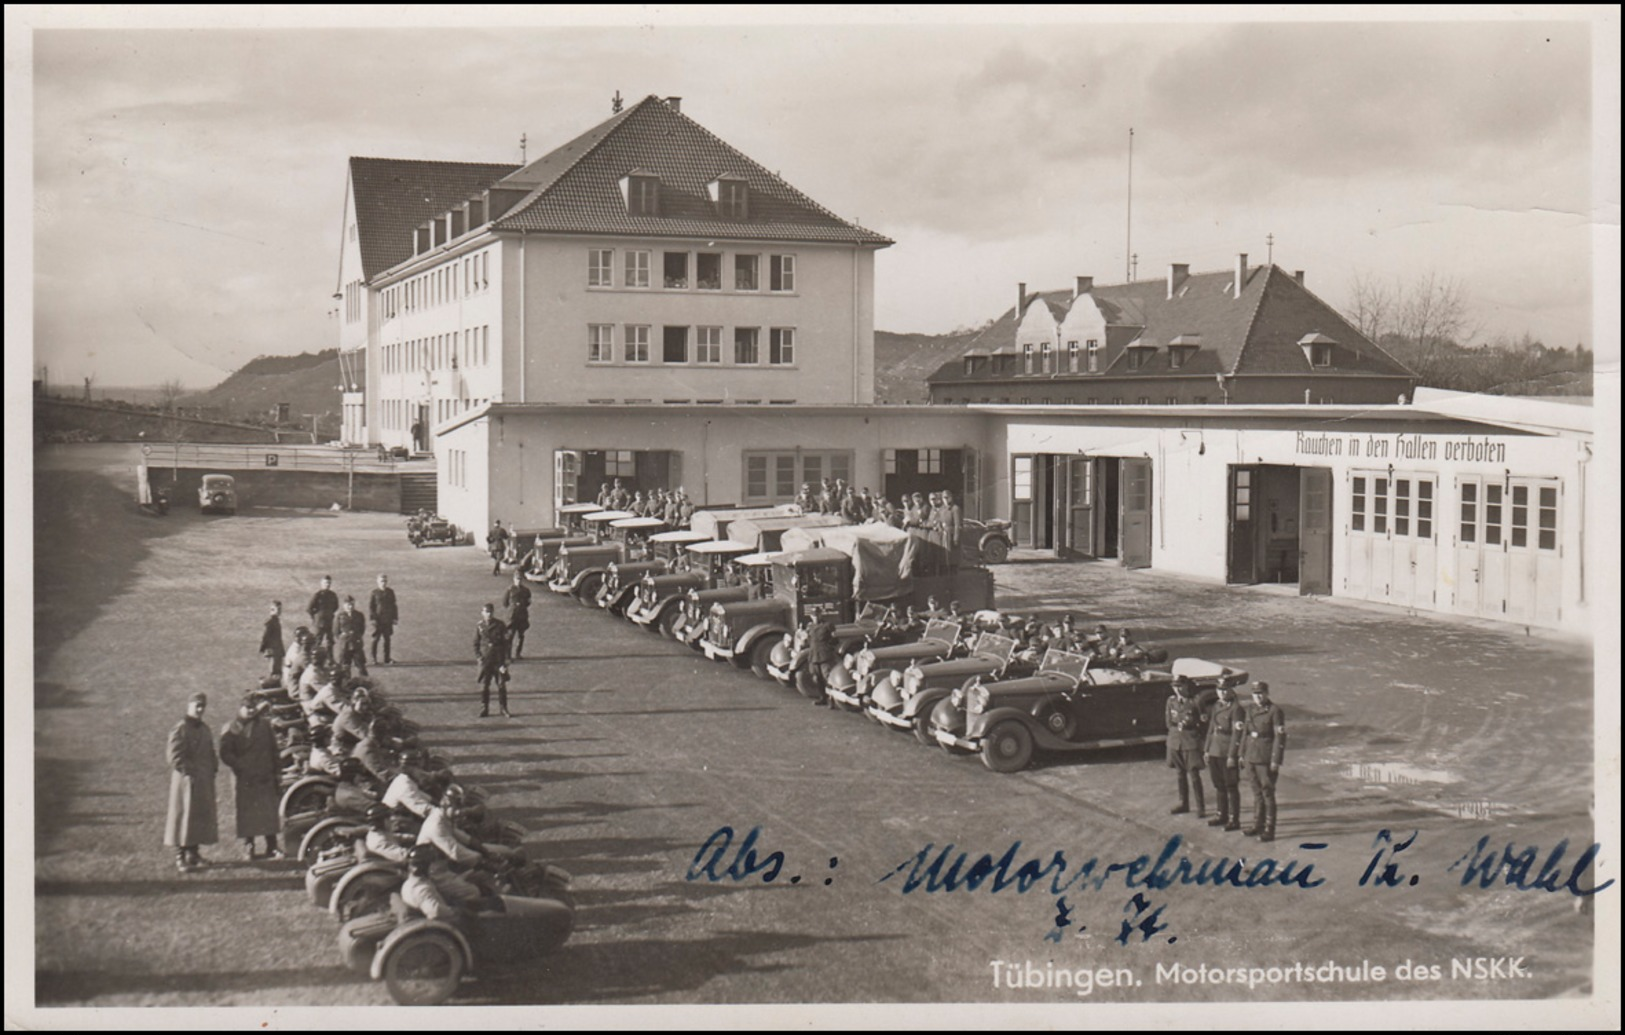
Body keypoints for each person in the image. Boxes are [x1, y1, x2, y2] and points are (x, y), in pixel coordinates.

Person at [218, 694, 283, 859]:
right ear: (241, 708)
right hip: (246, 778)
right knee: (248, 813)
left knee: (268, 812)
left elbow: (274, 749)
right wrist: (241, 765)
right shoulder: (232, 727)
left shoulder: (265, 725)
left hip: (265, 775)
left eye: (253, 708)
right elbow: (225, 753)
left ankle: (272, 846)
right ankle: (249, 846)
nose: (251, 711)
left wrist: (277, 771)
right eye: (248, 707)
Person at [164, 692, 218, 873]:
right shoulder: (180, 728)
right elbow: (174, 757)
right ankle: (181, 857)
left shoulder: (204, 729)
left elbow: (210, 751)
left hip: (203, 781)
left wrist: (212, 769)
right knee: (183, 817)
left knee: (197, 818)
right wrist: (190, 772)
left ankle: (193, 855)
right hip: (185, 782)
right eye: (197, 706)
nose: (200, 709)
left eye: (203, 706)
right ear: (189, 706)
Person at [1232, 681, 1286, 842]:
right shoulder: (1250, 710)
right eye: (1255, 694)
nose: (1258, 696)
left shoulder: (1275, 711)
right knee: (1257, 792)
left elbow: (1279, 737)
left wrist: (1276, 760)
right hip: (1251, 756)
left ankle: (1270, 828)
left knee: (1267, 793)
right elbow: (1245, 734)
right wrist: (1241, 753)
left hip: (1265, 757)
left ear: (1267, 693)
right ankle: (1257, 825)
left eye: (1261, 693)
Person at [1204, 675, 1245, 832]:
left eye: (1225, 690)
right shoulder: (1217, 706)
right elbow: (1211, 729)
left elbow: (1237, 734)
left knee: (1231, 786)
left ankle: (1234, 819)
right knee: (1219, 785)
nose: (1222, 693)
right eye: (1219, 690)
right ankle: (1221, 814)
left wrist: (1232, 755)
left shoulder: (1236, 709)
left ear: (1231, 690)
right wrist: (1207, 749)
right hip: (1215, 749)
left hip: (1227, 751)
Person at [1164, 676, 1207, 818]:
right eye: (1175, 686)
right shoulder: (1171, 701)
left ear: (1186, 686)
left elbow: (1203, 724)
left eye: (1180, 686)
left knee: (1194, 774)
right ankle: (1184, 803)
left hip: (1191, 741)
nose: (1178, 689)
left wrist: (1199, 741)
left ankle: (1201, 807)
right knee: (1180, 773)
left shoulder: (1195, 702)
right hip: (1176, 740)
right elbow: (1169, 722)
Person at [400, 844, 469, 923]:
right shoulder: (422, 889)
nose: (435, 866)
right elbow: (435, 913)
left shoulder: (409, 883)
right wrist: (457, 911)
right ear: (424, 867)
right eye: (432, 863)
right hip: (444, 922)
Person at [474, 603, 511, 718]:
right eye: (486, 612)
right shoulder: (480, 626)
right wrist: (479, 657)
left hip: (498, 660)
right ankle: (484, 708)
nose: (488, 614)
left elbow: (506, 643)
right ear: (482, 613)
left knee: (501, 685)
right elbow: (476, 644)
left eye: (490, 612)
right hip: (486, 660)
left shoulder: (500, 625)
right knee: (485, 685)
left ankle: (503, 708)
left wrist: (506, 660)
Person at [368, 574, 399, 665]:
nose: (383, 583)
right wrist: (372, 618)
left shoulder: (390, 592)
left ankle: (387, 658)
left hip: (388, 620)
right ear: (378, 582)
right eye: (381, 581)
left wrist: (395, 618)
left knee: (387, 639)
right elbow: (371, 607)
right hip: (378, 620)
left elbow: (394, 605)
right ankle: (373, 658)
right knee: (376, 639)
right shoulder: (374, 593)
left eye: (385, 581)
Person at [333, 596, 368, 676]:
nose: (350, 607)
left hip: (356, 643)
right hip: (345, 644)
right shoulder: (340, 616)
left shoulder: (359, 615)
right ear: (344, 605)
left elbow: (362, 628)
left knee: (361, 665)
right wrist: (344, 638)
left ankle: (365, 682)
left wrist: (357, 636)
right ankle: (346, 683)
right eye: (348, 605)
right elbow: (336, 631)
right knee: (345, 666)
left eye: (352, 604)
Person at [503, 571, 533, 660]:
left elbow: (528, 602)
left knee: (521, 636)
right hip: (512, 617)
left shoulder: (526, 590)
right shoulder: (510, 590)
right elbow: (505, 603)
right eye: (517, 579)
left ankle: (518, 653)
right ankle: (508, 656)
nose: (518, 581)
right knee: (510, 636)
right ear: (514, 579)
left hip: (522, 616)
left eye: (520, 579)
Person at [306, 575, 339, 652]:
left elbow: (336, 606)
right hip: (319, 623)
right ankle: (314, 658)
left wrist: (329, 613)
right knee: (317, 640)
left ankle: (330, 659)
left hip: (329, 621)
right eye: (325, 583)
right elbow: (309, 608)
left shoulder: (332, 595)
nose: (327, 585)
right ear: (321, 583)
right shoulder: (318, 595)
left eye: (329, 583)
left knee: (330, 641)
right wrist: (315, 617)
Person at [260, 601, 284, 680]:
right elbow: (266, 637)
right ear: (272, 610)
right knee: (274, 671)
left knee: (277, 670)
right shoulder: (271, 622)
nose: (280, 612)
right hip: (273, 650)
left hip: (277, 650)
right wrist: (263, 648)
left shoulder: (275, 621)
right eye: (278, 609)